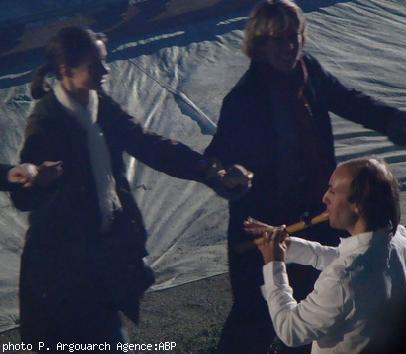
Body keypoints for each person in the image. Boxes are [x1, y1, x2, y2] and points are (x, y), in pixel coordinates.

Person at [204, 1, 406, 352]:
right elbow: (217, 158)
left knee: (315, 305)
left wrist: (398, 122)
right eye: (277, 39)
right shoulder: (243, 99)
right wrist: (226, 173)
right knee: (253, 319)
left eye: (293, 36)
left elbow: (353, 102)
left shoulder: (309, 72)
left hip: (319, 213)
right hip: (266, 225)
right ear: (259, 45)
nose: (289, 46)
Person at [10, 26, 252, 351]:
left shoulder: (99, 105)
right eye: (96, 65)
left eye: (104, 62)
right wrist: (35, 179)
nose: (106, 71)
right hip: (60, 274)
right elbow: (23, 196)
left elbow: (147, 144)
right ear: (67, 71)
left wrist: (210, 171)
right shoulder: (47, 124)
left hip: (99, 263)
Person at [245, 157, 406, 354]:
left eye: (333, 191)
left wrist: (274, 265)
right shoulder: (399, 237)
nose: (324, 198)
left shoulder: (343, 278)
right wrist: (287, 245)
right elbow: (343, 258)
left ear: (358, 204)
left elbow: (290, 330)